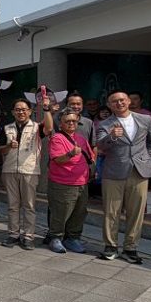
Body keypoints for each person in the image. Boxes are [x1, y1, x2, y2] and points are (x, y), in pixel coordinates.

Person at [97, 90, 151, 263]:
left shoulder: (145, 119)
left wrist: (146, 158)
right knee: (111, 211)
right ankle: (110, 246)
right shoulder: (104, 123)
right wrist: (111, 136)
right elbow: (100, 145)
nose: (119, 103)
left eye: (122, 99)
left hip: (139, 172)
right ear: (109, 105)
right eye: (114, 101)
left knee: (136, 212)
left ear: (128, 101)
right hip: (114, 172)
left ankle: (131, 247)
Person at [0, 97, 53, 250]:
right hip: (9, 170)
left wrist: (47, 109)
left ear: (30, 111)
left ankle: (28, 236)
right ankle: (13, 234)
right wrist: (9, 146)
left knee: (29, 205)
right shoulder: (7, 128)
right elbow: (1, 149)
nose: (21, 112)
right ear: (13, 112)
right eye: (17, 109)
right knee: (12, 205)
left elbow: (49, 128)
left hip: (29, 170)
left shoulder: (37, 127)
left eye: (24, 109)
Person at [47, 108, 94, 254]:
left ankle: (73, 238)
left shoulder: (81, 139)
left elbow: (90, 157)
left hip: (82, 182)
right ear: (60, 124)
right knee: (61, 212)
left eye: (74, 121)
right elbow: (58, 159)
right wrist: (70, 154)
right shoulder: (57, 138)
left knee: (79, 212)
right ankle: (55, 237)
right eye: (67, 121)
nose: (71, 123)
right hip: (63, 183)